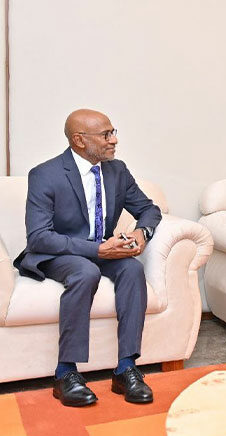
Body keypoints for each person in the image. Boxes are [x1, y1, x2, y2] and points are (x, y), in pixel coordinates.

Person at [14, 109, 161, 406]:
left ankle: (126, 369)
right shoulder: (45, 174)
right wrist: (97, 250)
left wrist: (141, 233)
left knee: (132, 269)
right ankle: (65, 373)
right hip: (60, 251)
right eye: (106, 134)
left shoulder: (117, 171)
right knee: (85, 272)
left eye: (113, 132)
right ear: (79, 140)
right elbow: (39, 237)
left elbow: (149, 209)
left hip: (103, 248)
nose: (114, 140)